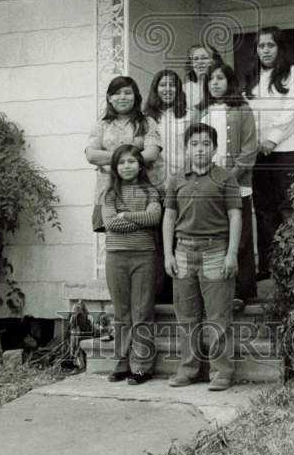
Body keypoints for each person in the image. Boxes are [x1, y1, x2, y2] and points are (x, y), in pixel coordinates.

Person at [163, 123, 242, 391]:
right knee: (186, 317)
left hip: (216, 251)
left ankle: (222, 372)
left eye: (206, 144)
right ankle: (188, 369)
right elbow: (169, 217)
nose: (200, 149)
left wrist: (232, 254)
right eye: (194, 144)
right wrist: (168, 254)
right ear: (186, 148)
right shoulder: (175, 179)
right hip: (183, 251)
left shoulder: (226, 178)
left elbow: (235, 215)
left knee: (218, 316)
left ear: (215, 148)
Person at [243, 27, 294, 280]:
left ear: (280, 48)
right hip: (257, 152)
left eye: (270, 45)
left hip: (287, 149)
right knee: (264, 209)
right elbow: (246, 115)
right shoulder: (251, 78)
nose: (265, 50)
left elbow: (291, 109)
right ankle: (269, 266)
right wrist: (252, 145)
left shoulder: (292, 74)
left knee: (287, 206)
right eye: (261, 46)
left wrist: (272, 139)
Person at [197, 62, 258, 307]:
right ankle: (213, 291)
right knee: (214, 237)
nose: (215, 83)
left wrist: (229, 177)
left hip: (235, 184)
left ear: (229, 81)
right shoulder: (201, 112)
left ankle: (241, 292)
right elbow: (192, 147)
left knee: (240, 239)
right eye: (211, 79)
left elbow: (249, 149)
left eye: (220, 78)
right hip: (208, 185)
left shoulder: (242, 109)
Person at [100, 144, 162, 385]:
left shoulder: (150, 192)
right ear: (115, 167)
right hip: (116, 257)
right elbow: (110, 224)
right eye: (122, 162)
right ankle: (122, 363)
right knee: (122, 314)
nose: (127, 166)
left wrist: (125, 215)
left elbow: (154, 217)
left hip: (144, 257)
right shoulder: (109, 194)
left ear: (140, 165)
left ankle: (143, 366)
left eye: (132, 161)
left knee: (142, 312)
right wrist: (138, 220)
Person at [85, 75, 161, 209]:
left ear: (135, 97)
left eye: (127, 93)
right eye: (117, 93)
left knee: (143, 227)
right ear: (109, 98)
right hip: (108, 192)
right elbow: (91, 155)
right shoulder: (101, 125)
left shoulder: (147, 123)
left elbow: (151, 154)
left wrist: (108, 158)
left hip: (141, 195)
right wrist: (132, 157)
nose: (122, 97)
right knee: (111, 228)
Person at [144, 69, 188, 190]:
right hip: (153, 184)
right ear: (155, 89)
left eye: (172, 85)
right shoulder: (145, 119)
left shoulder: (188, 116)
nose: (168, 89)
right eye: (163, 85)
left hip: (182, 183)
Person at [183, 43, 225, 114]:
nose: (199, 62)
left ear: (214, 61)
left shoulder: (223, 87)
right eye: (195, 59)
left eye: (204, 58)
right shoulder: (184, 90)